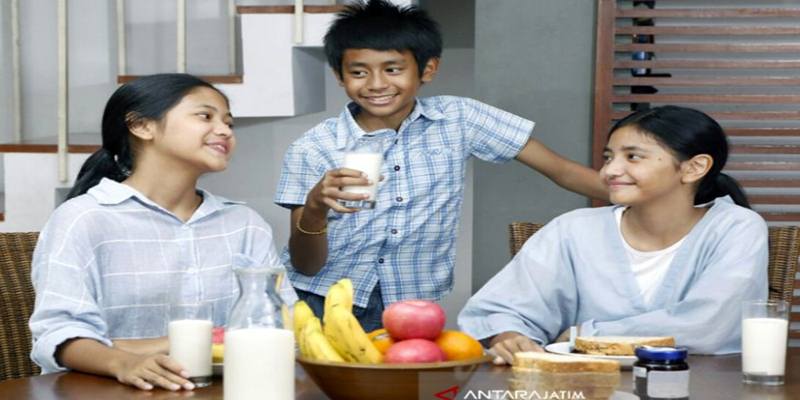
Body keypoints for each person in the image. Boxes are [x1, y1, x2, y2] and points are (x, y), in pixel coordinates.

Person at [274, 0, 607, 331]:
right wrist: (316, 206)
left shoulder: (458, 119)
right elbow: (306, 266)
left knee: (412, 385)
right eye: (359, 72)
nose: (376, 84)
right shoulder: (313, 148)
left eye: (392, 69)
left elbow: (560, 170)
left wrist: (643, 195)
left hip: (413, 306)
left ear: (428, 69)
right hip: (323, 302)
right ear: (339, 76)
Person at [29, 74, 297, 390]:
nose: (224, 130)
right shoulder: (82, 219)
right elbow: (58, 334)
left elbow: (280, 323)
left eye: (229, 123)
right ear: (142, 126)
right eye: (205, 116)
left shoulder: (244, 223)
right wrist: (123, 360)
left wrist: (128, 344)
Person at [458, 105, 768, 364]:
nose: (609, 171)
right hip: (586, 388)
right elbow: (502, 310)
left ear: (694, 167)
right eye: (609, 157)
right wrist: (509, 336)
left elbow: (708, 325)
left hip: (707, 388)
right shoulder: (572, 230)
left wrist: (586, 336)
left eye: (633, 157)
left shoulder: (736, 228)